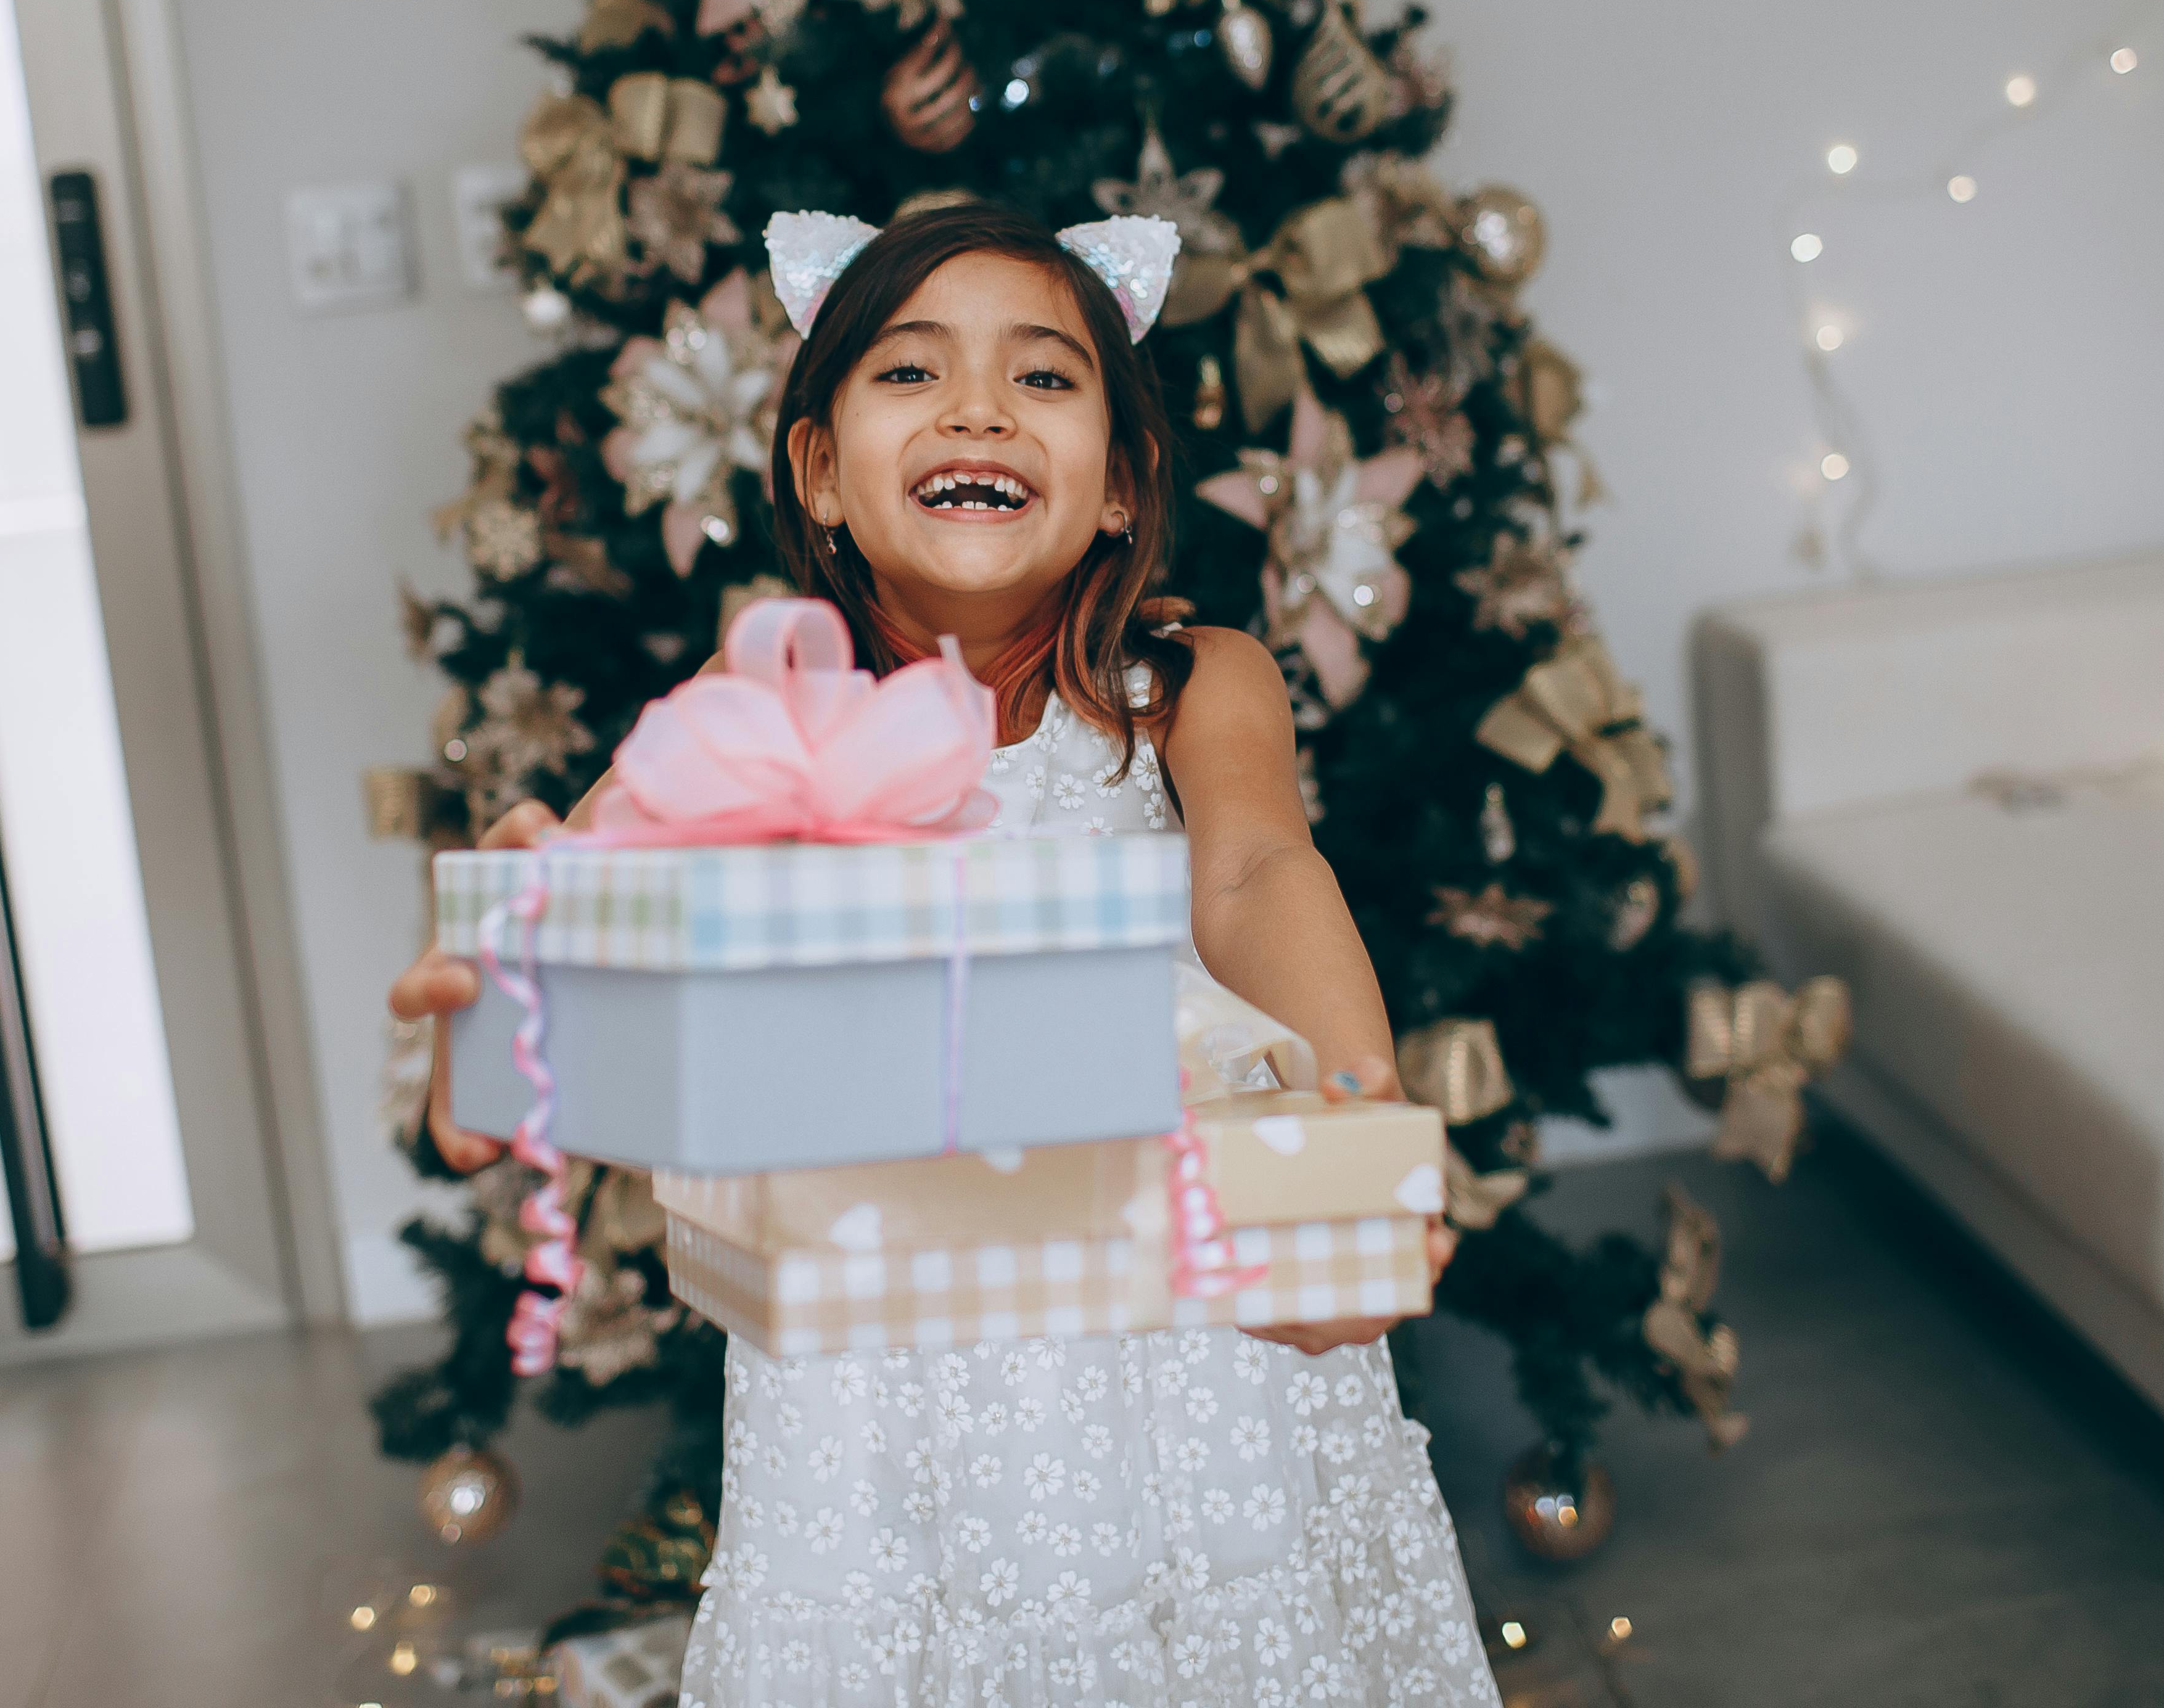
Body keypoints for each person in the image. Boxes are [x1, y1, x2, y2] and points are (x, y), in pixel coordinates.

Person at [388, 198, 1499, 1706]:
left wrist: (1349, 1139)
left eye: (1044, 377)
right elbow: (604, 889)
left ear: (1120, 485)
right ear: (822, 472)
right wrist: (508, 1001)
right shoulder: (775, 690)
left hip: (1195, 1322)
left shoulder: (1191, 688)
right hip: (889, 1401)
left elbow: (1254, 873)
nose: (979, 404)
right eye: (912, 373)